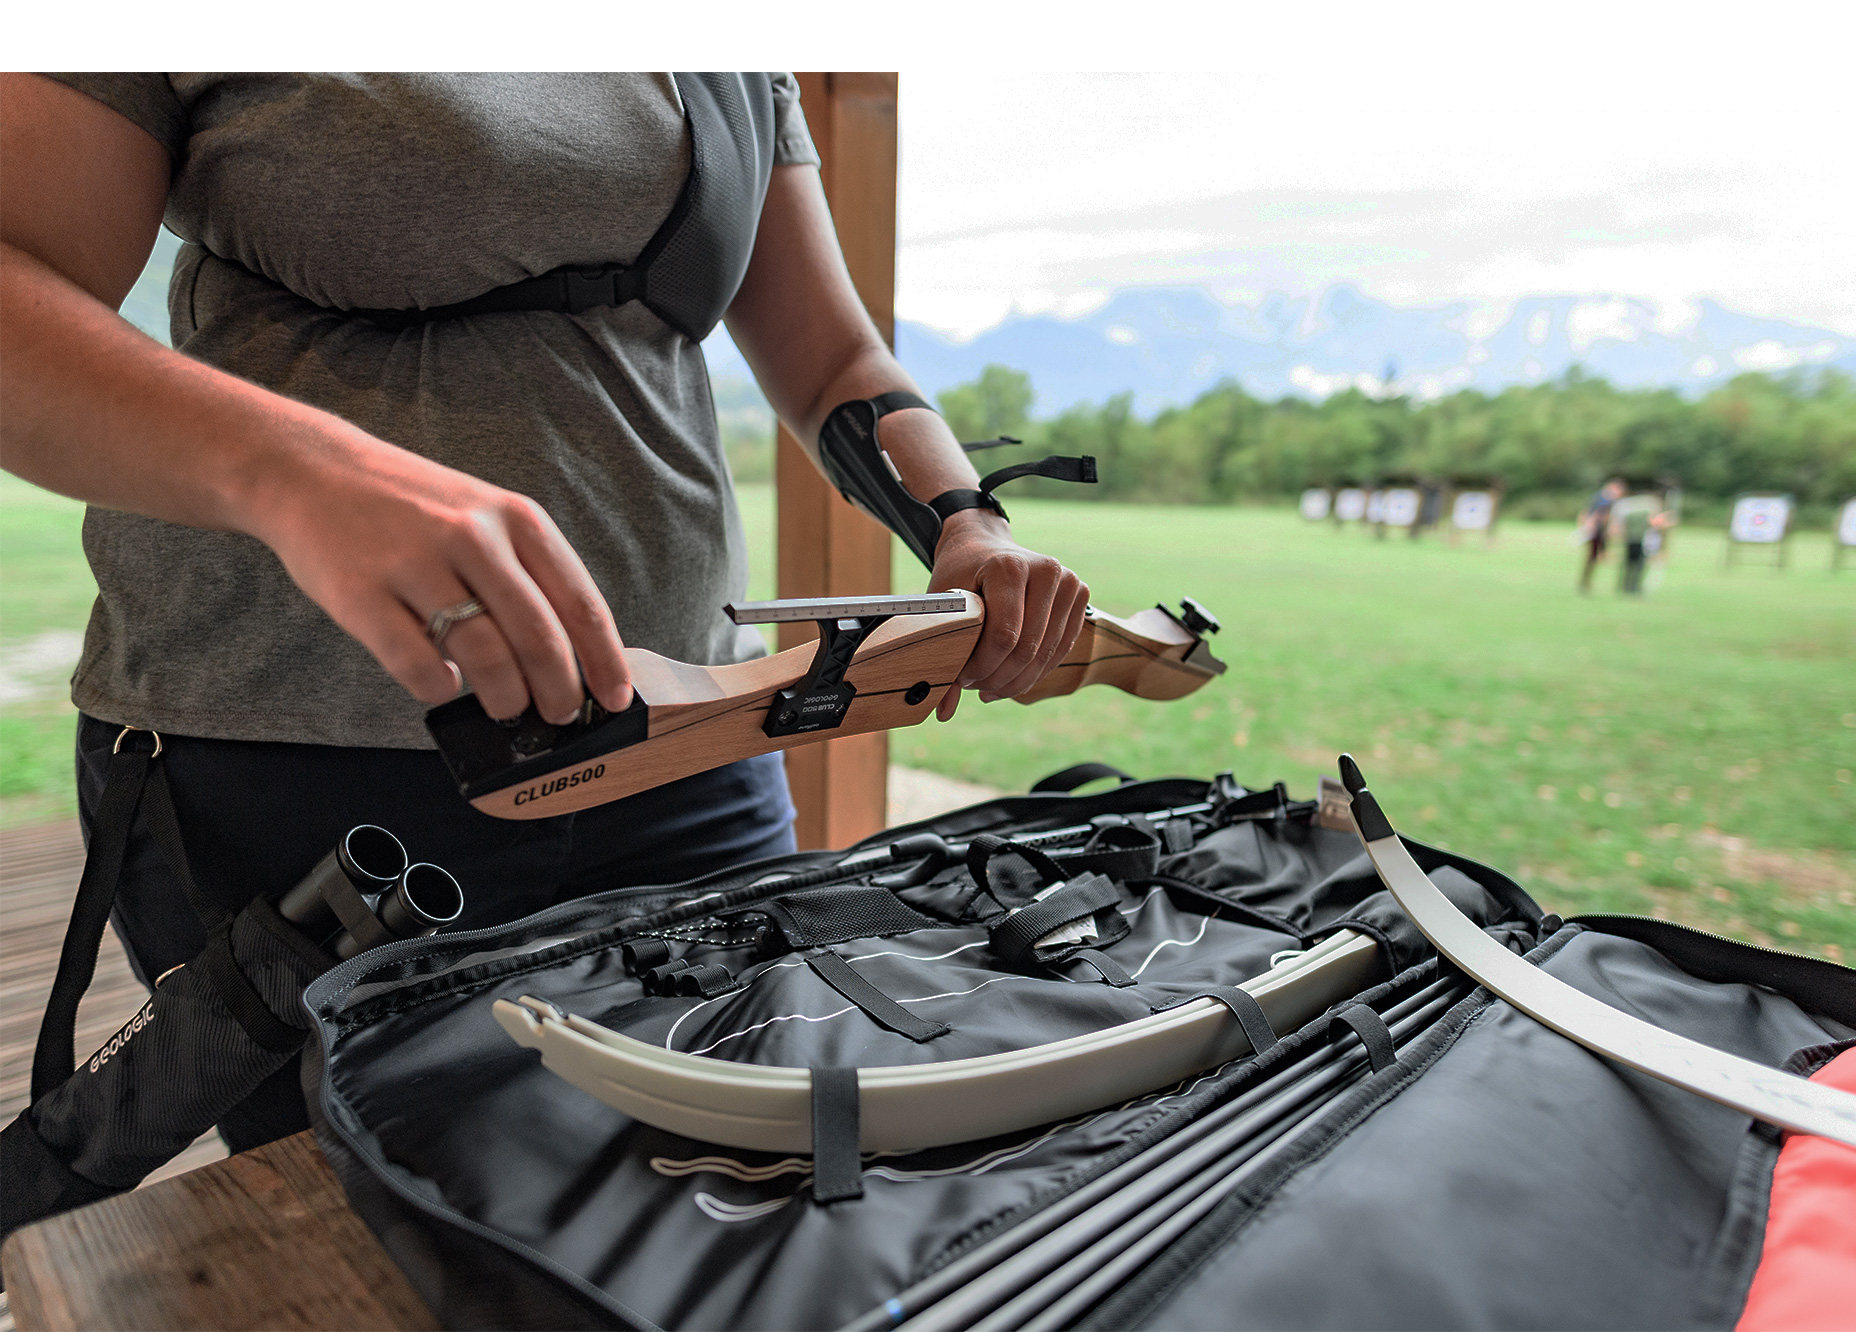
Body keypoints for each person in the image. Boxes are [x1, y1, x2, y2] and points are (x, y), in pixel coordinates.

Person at [0, 73, 1090, 1149]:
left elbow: (835, 362)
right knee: (357, 1199)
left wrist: (964, 520)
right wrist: (301, 475)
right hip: (299, 759)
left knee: (740, 1154)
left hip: (698, 733)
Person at [1576, 477, 1624, 592]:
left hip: (1600, 532)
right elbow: (1593, 514)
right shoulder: (1603, 500)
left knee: (1593, 558)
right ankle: (1585, 583)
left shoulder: (1604, 499)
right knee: (1594, 557)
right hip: (1597, 532)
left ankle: (1586, 582)